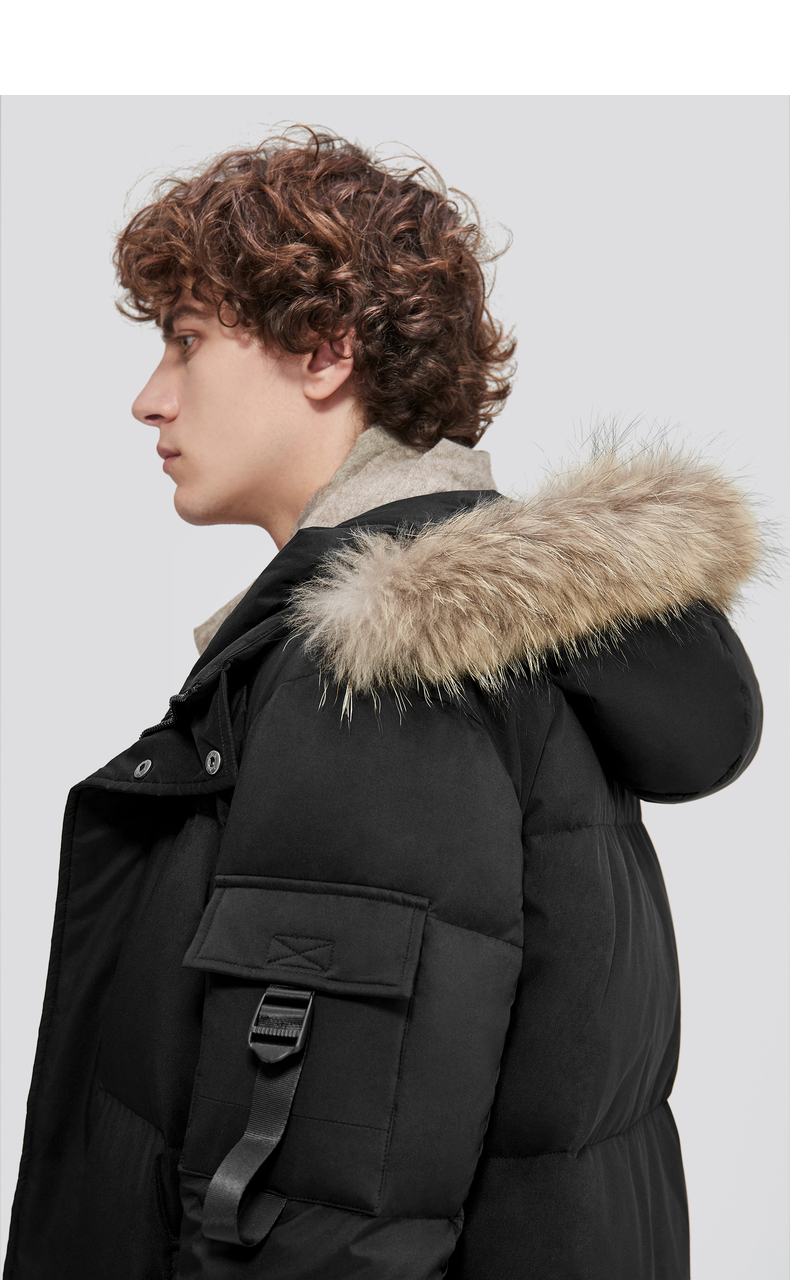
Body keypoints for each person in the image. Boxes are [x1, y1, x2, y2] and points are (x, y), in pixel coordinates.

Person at [3, 128, 763, 1280]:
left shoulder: (377, 677)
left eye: (187, 341)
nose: (149, 399)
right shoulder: (489, 650)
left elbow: (324, 1220)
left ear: (323, 350)